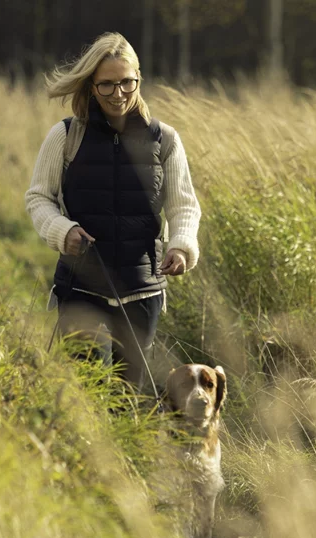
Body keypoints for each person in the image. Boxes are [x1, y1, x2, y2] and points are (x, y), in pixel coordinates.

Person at [25, 32, 201, 393]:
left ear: (139, 79)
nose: (118, 93)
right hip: (80, 288)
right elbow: (38, 198)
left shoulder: (164, 139)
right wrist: (63, 230)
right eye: (106, 85)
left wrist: (181, 247)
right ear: (91, 85)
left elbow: (183, 205)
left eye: (126, 82)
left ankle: (123, 452)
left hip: (142, 290)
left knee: (126, 396)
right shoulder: (65, 136)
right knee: (86, 391)